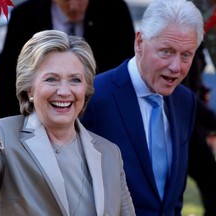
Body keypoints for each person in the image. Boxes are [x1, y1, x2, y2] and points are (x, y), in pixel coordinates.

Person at [0, 30, 135, 215]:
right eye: (51, 79)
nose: (64, 91)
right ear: (29, 89)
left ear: (86, 89)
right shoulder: (4, 137)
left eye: (75, 80)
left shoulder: (110, 153)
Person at [80, 0, 204, 215]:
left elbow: (172, 199)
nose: (176, 67)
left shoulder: (186, 101)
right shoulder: (93, 96)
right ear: (139, 42)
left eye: (186, 55)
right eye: (166, 51)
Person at [0, 0, 135, 120]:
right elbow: (6, 81)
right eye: (66, 0)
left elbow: (126, 72)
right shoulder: (25, 16)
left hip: (102, 115)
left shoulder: (115, 11)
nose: (74, 6)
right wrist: (10, 132)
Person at [183, 44, 216, 216]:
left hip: (194, 130)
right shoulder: (182, 51)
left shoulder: (199, 48)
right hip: (187, 132)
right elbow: (186, 98)